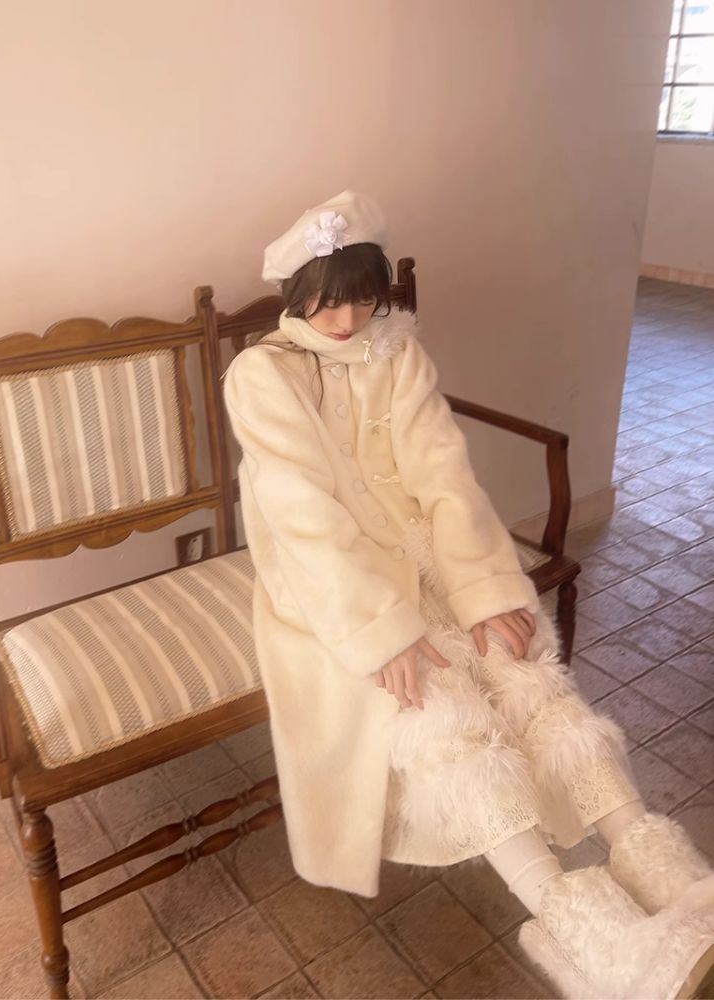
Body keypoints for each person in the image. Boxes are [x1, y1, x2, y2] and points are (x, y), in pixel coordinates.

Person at [222, 190, 714, 999]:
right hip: (330, 591)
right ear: (296, 293)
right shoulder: (261, 374)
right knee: (443, 713)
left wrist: (485, 590)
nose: (347, 320)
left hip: (428, 556)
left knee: (525, 671)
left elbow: (444, 477)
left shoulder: (398, 353)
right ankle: (591, 935)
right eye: (329, 300)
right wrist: (383, 631)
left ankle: (673, 878)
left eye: (363, 299)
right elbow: (302, 517)